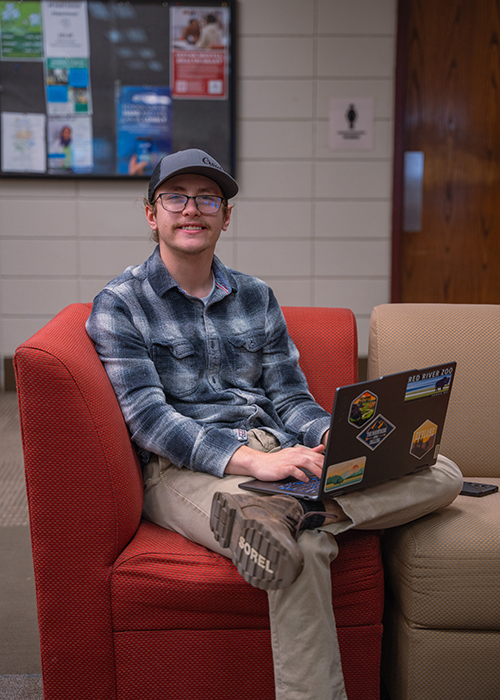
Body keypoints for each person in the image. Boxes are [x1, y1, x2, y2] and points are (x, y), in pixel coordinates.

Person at [86, 148, 463, 700]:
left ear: (226, 216)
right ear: (152, 214)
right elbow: (148, 419)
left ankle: (295, 509)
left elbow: (290, 397)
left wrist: (328, 434)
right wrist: (255, 462)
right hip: (188, 470)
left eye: (208, 198)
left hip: (281, 458)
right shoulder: (121, 304)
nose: (192, 210)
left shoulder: (256, 296)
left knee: (440, 467)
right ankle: (297, 518)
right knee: (306, 549)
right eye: (176, 197)